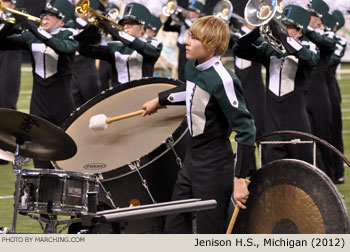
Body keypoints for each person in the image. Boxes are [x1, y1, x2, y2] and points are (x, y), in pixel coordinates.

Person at [142, 15, 256, 234]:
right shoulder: (193, 67)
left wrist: (240, 178)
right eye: (189, 36)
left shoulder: (225, 80)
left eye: (194, 38)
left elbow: (246, 129)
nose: (187, 41)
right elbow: (191, 91)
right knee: (174, 226)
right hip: (191, 157)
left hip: (214, 164)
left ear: (211, 46)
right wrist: (160, 100)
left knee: (208, 232)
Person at [233, 3, 320, 165]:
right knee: (271, 172)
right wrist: (257, 30)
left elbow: (308, 58)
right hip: (272, 125)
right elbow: (239, 50)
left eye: (288, 26)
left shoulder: (310, 48)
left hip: (297, 123)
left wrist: (283, 36)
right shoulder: (270, 50)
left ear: (300, 32)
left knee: (303, 171)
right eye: (282, 25)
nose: (283, 28)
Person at [0, 0, 78, 169]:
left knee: (64, 155)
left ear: (62, 21)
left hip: (62, 104)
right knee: (39, 153)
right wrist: (13, 23)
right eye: (44, 14)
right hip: (38, 104)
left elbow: (62, 48)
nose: (45, 18)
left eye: (52, 15)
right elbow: (2, 42)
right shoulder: (32, 35)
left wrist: (33, 28)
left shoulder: (69, 34)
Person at [75, 2, 161, 86]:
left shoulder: (154, 44)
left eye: (131, 22)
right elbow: (82, 49)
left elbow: (142, 47)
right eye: (124, 23)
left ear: (142, 27)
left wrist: (112, 29)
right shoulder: (114, 46)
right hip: (119, 96)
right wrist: (95, 27)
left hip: (143, 94)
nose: (126, 26)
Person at [305, 0, 338, 181]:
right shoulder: (303, 35)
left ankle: (330, 176)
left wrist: (306, 28)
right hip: (303, 91)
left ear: (319, 19)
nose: (308, 19)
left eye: (311, 16)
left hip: (319, 92)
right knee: (307, 136)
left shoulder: (326, 35)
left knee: (323, 133)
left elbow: (325, 43)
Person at [325, 8, 347, 184]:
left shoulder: (338, 41)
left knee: (334, 131)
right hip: (320, 89)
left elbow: (330, 61)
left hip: (330, 89)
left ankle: (338, 171)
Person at [67, 0, 102, 107]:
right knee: (73, 105)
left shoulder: (92, 26)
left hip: (86, 65)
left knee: (91, 104)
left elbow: (97, 39)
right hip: (71, 66)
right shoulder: (70, 23)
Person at [0, 0, 22, 165]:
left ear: (13, 5)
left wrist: (13, 18)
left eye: (7, 1)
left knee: (7, 103)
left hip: (10, 58)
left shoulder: (17, 19)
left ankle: (10, 149)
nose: (3, 3)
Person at [163, 0, 205, 82]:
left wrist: (182, 18)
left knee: (190, 74)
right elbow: (166, 28)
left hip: (193, 52)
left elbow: (192, 28)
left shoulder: (199, 23)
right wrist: (170, 16)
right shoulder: (183, 24)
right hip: (182, 51)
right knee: (181, 74)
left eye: (192, 11)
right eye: (189, 10)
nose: (189, 12)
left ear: (198, 13)